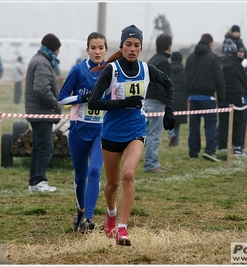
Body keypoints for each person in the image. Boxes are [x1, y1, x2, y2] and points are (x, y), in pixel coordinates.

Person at [88, 25, 175, 246]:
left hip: (136, 131)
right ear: (122, 46)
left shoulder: (147, 69)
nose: (133, 49)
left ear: (141, 47)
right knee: (112, 185)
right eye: (129, 44)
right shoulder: (112, 70)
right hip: (111, 134)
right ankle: (110, 214)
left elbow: (168, 84)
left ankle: (123, 229)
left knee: (128, 175)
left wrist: (169, 111)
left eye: (137, 45)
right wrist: (122, 103)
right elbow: (94, 102)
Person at [58, 32, 108, 233]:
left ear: (106, 50)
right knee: (81, 177)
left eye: (101, 47)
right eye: (93, 48)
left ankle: (88, 218)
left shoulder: (111, 71)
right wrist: (82, 98)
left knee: (95, 171)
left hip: (101, 131)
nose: (97, 51)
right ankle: (80, 211)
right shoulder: (78, 70)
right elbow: (61, 99)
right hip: (78, 129)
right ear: (87, 49)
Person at [25, 33, 62, 192]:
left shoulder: (40, 60)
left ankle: (34, 182)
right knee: (46, 149)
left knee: (39, 148)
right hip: (42, 112)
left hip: (38, 111)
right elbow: (41, 89)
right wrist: (54, 104)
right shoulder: (42, 63)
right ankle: (39, 181)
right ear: (55, 48)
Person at [184, 33, 225, 162]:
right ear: (210, 44)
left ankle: (193, 152)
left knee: (194, 125)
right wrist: (221, 98)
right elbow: (219, 78)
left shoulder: (190, 58)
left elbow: (185, 77)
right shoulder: (213, 57)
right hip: (208, 97)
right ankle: (210, 151)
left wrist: (187, 94)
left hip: (192, 97)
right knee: (211, 124)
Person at [144, 33, 172, 173]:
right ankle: (151, 164)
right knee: (154, 135)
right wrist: (166, 102)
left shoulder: (152, 59)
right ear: (169, 45)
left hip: (148, 100)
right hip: (156, 102)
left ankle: (151, 162)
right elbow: (164, 84)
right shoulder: (164, 62)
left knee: (148, 134)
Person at [218, 39, 247, 155]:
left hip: (222, 97)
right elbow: (244, 81)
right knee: (238, 121)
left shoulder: (219, 64)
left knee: (223, 121)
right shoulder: (237, 65)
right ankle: (237, 147)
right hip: (236, 96)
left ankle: (222, 146)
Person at [167, 51, 188, 147]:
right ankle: (175, 143)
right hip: (181, 99)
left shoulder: (167, 70)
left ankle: (171, 134)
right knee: (178, 122)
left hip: (170, 99)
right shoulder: (184, 71)